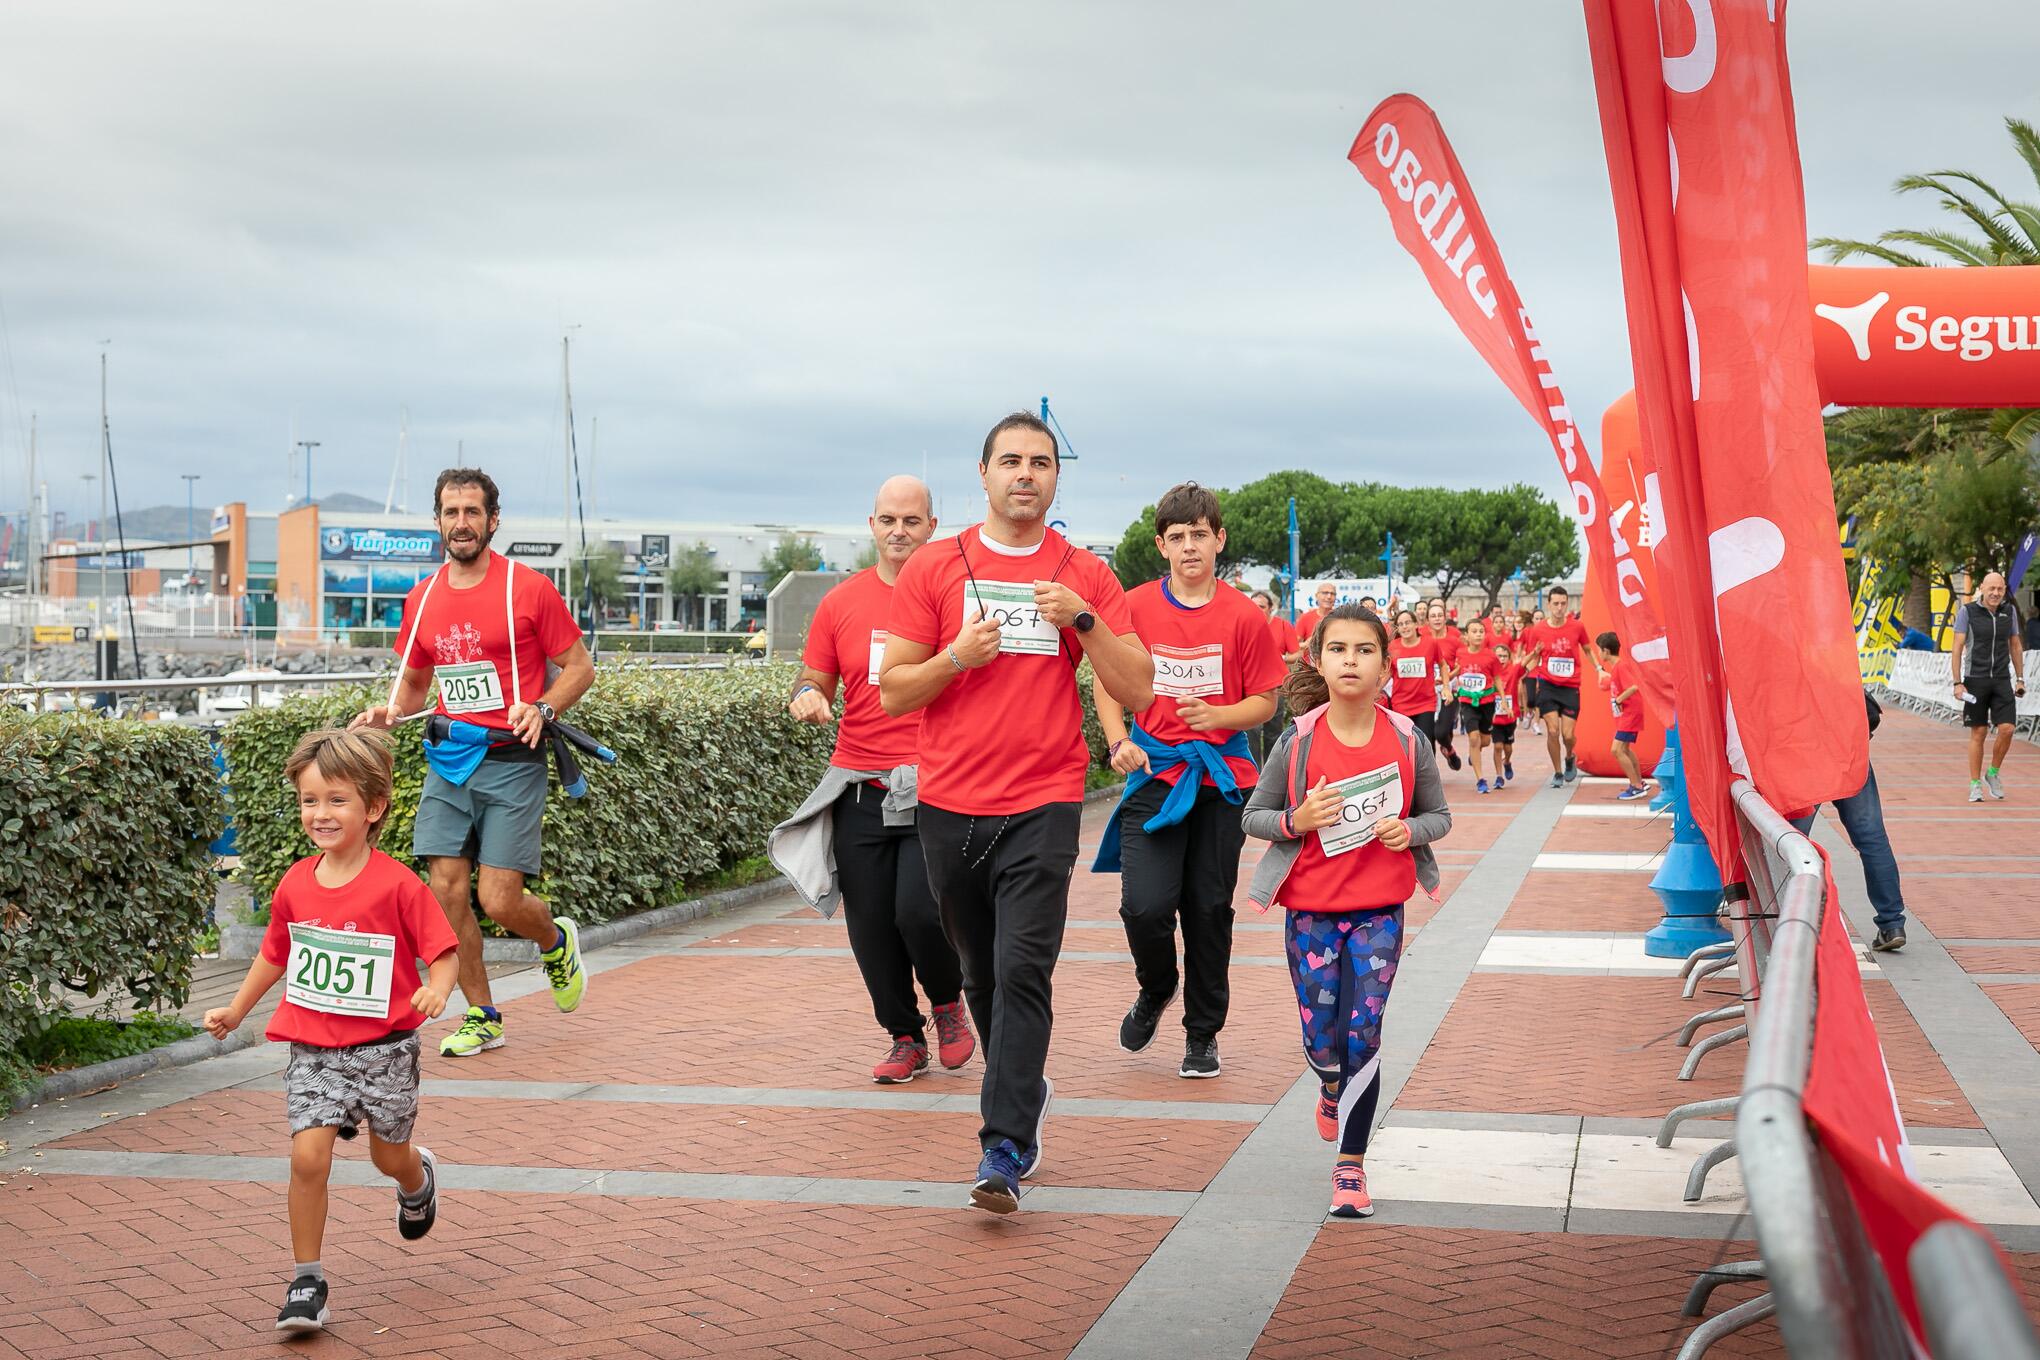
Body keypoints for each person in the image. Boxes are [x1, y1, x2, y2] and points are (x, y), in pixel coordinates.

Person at [880, 411, 1154, 1215]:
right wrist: (955, 658)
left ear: (1056, 478)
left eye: (1040, 462)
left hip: (1044, 800)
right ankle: (1023, 1086)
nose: (1025, 474)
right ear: (985, 472)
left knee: (1024, 969)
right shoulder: (935, 565)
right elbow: (895, 689)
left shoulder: (1082, 573)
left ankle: (1003, 1147)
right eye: (1011, 461)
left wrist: (1084, 618)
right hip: (949, 805)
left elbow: (1138, 688)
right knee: (982, 973)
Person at [203, 729, 459, 1334]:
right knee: (307, 1156)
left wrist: (438, 989)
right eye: (309, 801)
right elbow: (276, 954)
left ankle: (417, 1178)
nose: (320, 813)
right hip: (315, 1049)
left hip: (386, 1051)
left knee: (386, 1155)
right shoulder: (295, 882)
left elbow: (443, 952)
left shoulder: (399, 885)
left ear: (373, 808)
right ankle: (306, 1281)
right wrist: (238, 1010)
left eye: (336, 800)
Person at [352, 468, 594, 1055]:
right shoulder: (423, 598)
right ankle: (482, 1013)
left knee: (499, 900)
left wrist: (543, 706)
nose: (462, 523)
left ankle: (554, 941)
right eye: (451, 512)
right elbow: (413, 687)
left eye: (473, 512)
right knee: (445, 891)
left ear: (492, 521)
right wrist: (388, 713)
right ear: (437, 521)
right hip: (449, 760)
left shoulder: (528, 589)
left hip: (513, 761)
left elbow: (581, 668)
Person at [1241, 605, 1452, 1218]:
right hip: (1310, 915)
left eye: (1365, 650)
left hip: (1379, 913)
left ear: (1386, 665)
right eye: (1339, 650)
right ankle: (1330, 1086)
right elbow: (1254, 816)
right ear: (1318, 660)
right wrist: (1296, 821)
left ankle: (1351, 1168)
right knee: (1322, 1039)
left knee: (1363, 1035)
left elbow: (1440, 817)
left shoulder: (1408, 739)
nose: (1352, 660)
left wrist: (1408, 832)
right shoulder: (1298, 740)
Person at [769, 476, 974, 1083]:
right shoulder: (841, 603)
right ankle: (904, 1037)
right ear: (872, 525)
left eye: (911, 521)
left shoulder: (957, 600)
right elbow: (815, 679)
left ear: (933, 528)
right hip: (859, 784)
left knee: (919, 910)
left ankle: (947, 1003)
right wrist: (807, 696)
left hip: (934, 785)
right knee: (871, 927)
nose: (899, 532)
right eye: (888, 520)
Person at [1093, 483, 1285, 1078]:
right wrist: (1118, 740)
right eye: (1177, 537)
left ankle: (1202, 1032)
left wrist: (1221, 716)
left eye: (1199, 534)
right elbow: (1107, 676)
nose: (1189, 546)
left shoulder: (1244, 615)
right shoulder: (1134, 606)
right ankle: (1157, 986)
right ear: (1161, 546)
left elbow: (1267, 701)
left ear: (1219, 539)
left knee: (1207, 909)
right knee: (1145, 907)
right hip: (1154, 772)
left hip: (1222, 780)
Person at [1790, 691, 1908, 952]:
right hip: (1849, 749)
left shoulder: (1792, 653)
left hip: (1806, 751)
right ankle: (1892, 923)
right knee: (1872, 837)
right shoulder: (1837, 652)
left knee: (1791, 841)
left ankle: (1783, 920)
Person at [1952, 571, 2026, 801]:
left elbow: (2015, 645)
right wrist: (1957, 683)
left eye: (2000, 589)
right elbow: (1957, 648)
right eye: (1991, 588)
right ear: (1982, 588)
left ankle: (1992, 773)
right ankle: (1974, 783)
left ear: (2004, 590)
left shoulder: (2009, 611)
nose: (1995, 593)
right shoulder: (1968, 612)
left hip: (2002, 679)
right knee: (1980, 732)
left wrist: (2020, 678)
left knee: (2008, 729)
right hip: (1975, 678)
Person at [1518, 585, 1590, 787]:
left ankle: (1569, 757)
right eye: (1556, 603)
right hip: (1547, 685)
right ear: (1549, 605)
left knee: (1568, 735)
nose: (1560, 607)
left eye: (1563, 603)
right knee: (1552, 731)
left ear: (1567, 604)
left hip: (1570, 687)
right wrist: (1523, 673)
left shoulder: (1577, 627)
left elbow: (1588, 649)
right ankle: (1558, 772)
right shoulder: (1538, 630)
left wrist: (1600, 668)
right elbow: (1533, 657)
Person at [1596, 632, 1652, 800]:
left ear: (1606, 651)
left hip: (1630, 713)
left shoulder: (1621, 666)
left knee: (1616, 750)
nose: (1598, 653)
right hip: (1625, 715)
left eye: (1599, 650)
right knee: (1625, 749)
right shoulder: (1616, 668)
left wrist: (1619, 699)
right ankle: (1639, 783)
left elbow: (1635, 685)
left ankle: (1635, 786)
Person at [1252, 589, 1302, 765]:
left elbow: (1296, 654)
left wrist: (1280, 658)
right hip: (1251, 687)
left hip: (1276, 685)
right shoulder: (1245, 625)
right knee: (1253, 731)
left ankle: (1273, 770)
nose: (1257, 610)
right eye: (1253, 606)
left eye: (1261, 606)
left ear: (1270, 608)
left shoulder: (1282, 626)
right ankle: (1255, 772)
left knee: (1273, 731)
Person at [1451, 618, 1500, 794]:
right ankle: (1480, 779)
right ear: (1467, 635)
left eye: (1481, 631)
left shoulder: (1491, 656)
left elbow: (1497, 678)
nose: (1478, 634)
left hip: (1487, 702)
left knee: (1485, 740)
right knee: (1473, 738)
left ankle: (1475, 753)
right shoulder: (1461, 653)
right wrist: (1446, 679)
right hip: (1467, 701)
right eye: (1474, 631)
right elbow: (1458, 669)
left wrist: (1503, 700)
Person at [1386, 609, 1443, 748]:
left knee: (1426, 744)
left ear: (1416, 624)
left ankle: (1428, 770)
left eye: (1407, 622)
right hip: (1401, 703)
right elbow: (1388, 673)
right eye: (1400, 624)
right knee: (1405, 746)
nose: (1404, 626)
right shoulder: (1393, 647)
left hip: (1426, 702)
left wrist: (1446, 687)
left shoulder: (1430, 643)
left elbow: (1442, 664)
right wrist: (1374, 691)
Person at [1423, 600, 1463, 771]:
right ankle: (1431, 774)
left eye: (1440, 615)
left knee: (1441, 732)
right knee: (1428, 735)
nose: (1437, 619)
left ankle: (1449, 749)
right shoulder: (1423, 640)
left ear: (1445, 617)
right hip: (1427, 692)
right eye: (1433, 616)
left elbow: (1461, 665)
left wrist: (1447, 678)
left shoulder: (1455, 640)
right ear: (1427, 620)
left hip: (1449, 690)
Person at [1490, 640, 1522, 784]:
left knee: (1508, 748)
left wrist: (1535, 652)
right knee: (1497, 746)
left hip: (1509, 717)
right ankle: (1498, 776)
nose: (1501, 659)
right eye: (1498, 656)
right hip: (1494, 718)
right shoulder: (1489, 672)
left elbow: (1526, 664)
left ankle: (1507, 761)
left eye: (1504, 656)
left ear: (1509, 658)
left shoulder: (1513, 670)